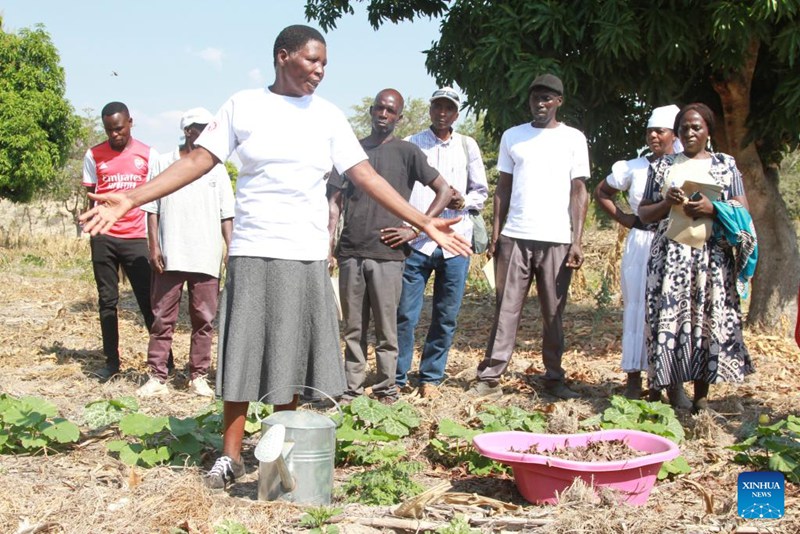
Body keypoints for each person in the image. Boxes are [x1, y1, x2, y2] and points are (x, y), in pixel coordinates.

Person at [79, 25, 470, 491]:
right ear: (283, 57)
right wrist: (132, 199)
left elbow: (364, 174)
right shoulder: (244, 105)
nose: (320, 71)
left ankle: (279, 456)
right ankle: (230, 458)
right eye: (311, 61)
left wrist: (422, 221)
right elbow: (198, 161)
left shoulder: (327, 116)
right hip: (252, 249)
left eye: (325, 63)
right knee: (242, 352)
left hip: (303, 254)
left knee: (292, 357)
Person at [467, 73, 590, 401]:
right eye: (536, 98)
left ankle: (554, 378)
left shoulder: (574, 139)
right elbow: (502, 189)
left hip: (556, 240)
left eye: (548, 98)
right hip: (515, 237)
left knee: (553, 314)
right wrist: (496, 235)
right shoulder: (513, 137)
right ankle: (490, 376)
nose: (541, 103)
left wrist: (577, 240)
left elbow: (579, 191)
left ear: (559, 102)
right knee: (505, 309)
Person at [328, 89, 451, 404]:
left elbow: (444, 190)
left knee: (387, 329)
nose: (384, 114)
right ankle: (351, 390)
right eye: (379, 108)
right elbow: (334, 201)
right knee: (354, 328)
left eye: (391, 111)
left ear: (399, 117)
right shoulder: (350, 151)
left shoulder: (407, 152)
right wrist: (329, 243)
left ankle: (386, 389)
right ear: (371, 110)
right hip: (352, 250)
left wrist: (414, 228)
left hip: (388, 254)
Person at [638, 102, 756, 412]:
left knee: (706, 321)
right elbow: (644, 213)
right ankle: (674, 391)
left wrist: (712, 208)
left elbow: (743, 209)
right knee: (670, 321)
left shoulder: (724, 165)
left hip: (712, 259)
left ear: (708, 131)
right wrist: (666, 203)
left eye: (696, 127)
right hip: (670, 258)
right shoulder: (662, 166)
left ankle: (701, 397)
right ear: (676, 133)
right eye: (684, 128)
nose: (689, 133)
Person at [388, 87, 489, 399]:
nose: (442, 113)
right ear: (430, 110)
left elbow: (480, 192)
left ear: (456, 114)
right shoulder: (411, 144)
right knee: (405, 312)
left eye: (449, 108)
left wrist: (462, 201)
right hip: (417, 240)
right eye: (438, 107)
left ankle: (431, 376)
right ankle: (398, 375)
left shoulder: (467, 145)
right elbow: (397, 189)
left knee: (446, 314)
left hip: (455, 242)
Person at [137, 108, 234, 398]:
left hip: (206, 256)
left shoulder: (217, 168)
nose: (207, 133)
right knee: (162, 318)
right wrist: (154, 246)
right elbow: (151, 208)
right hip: (171, 254)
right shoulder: (164, 162)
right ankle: (157, 375)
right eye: (202, 128)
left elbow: (226, 214)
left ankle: (198, 376)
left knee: (204, 320)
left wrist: (231, 248)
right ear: (189, 131)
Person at [593, 105, 680, 399]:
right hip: (641, 243)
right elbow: (602, 191)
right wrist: (625, 219)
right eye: (650, 131)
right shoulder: (634, 167)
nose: (654, 136)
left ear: (674, 134)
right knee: (637, 308)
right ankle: (633, 379)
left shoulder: (685, 167)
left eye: (660, 131)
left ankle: (670, 382)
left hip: (676, 244)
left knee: (671, 311)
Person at [81, 102, 164, 381]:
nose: (114, 135)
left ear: (130, 122)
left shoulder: (148, 154)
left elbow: (155, 199)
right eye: (108, 130)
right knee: (107, 301)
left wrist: (156, 240)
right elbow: (91, 196)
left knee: (147, 301)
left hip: (136, 238)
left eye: (118, 128)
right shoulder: (93, 155)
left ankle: (162, 363)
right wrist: (90, 229)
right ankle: (111, 362)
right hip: (104, 237)